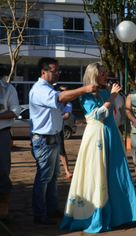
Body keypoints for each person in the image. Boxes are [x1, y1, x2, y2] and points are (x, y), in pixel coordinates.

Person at [60, 62, 136, 232]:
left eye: (106, 72)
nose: (106, 76)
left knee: (117, 173)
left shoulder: (106, 90)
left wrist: (113, 95)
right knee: (97, 173)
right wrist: (112, 96)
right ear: (94, 76)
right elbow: (98, 115)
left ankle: (122, 216)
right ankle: (97, 215)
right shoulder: (86, 95)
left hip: (111, 133)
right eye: (103, 73)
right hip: (96, 136)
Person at [30, 57, 99, 225]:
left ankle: (52, 209)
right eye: (54, 71)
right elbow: (59, 99)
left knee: (53, 177)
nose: (58, 74)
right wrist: (83, 89)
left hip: (53, 138)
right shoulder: (40, 89)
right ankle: (39, 214)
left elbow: (61, 104)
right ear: (43, 72)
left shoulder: (49, 88)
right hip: (44, 140)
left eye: (58, 71)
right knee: (44, 178)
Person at [0, 64, 20, 216]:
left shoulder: (8, 89)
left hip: (2, 134)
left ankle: (3, 213)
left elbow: (15, 111)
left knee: (3, 173)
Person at [57, 85, 73, 178]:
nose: (63, 93)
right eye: (61, 91)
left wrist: (56, 118)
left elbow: (67, 116)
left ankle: (67, 171)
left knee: (61, 151)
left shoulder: (68, 104)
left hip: (59, 130)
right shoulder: (54, 101)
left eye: (65, 91)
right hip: (48, 130)